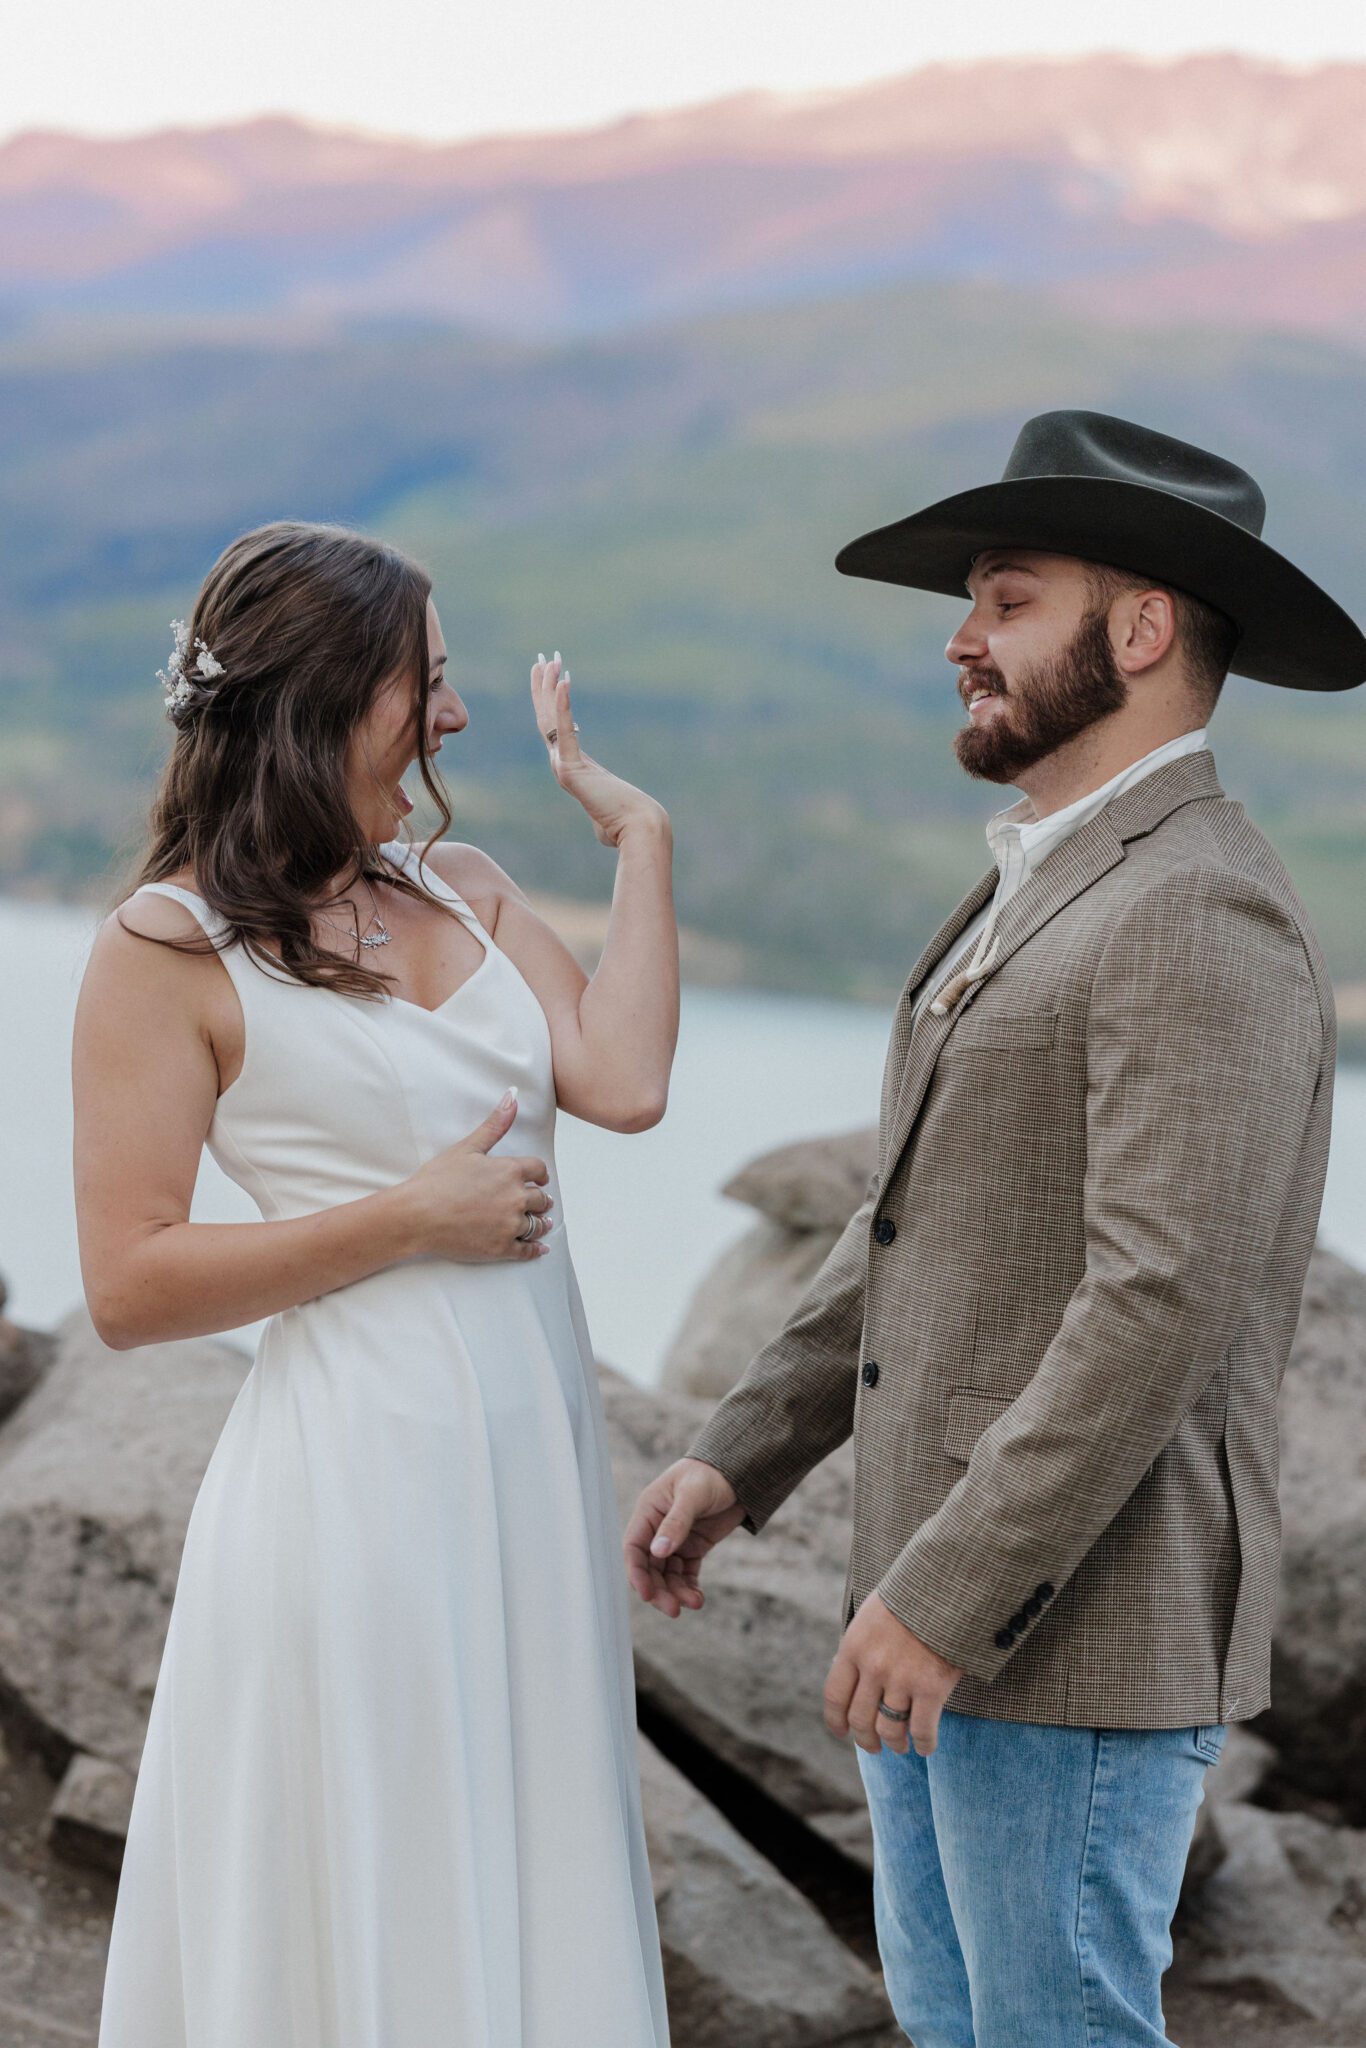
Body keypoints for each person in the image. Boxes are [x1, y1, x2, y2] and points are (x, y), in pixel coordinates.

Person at [624, 410, 1366, 2047]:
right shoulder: (1046, 876)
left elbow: (1154, 1307)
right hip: (941, 1610)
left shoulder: (1199, 904)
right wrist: (744, 1453)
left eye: (1007, 600)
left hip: (1066, 1633)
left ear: (1142, 629)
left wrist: (945, 1597)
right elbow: (910, 1221)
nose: (960, 641)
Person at [80, 520, 678, 2047]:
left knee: (525, 1878)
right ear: (326, 697)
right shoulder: (168, 947)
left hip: (526, 1486)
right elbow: (130, 1282)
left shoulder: (463, 887)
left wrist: (641, 843)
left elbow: (622, 1083)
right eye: (428, 682)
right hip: (351, 1494)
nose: (456, 715)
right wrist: (407, 1219)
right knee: (378, 1891)